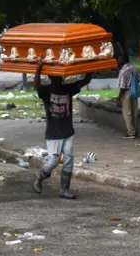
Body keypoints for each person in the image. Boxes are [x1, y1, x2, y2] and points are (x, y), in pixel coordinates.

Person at [32, 55, 92, 199]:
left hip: (68, 131)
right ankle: (39, 178)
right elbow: (36, 86)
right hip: (53, 132)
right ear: (51, 76)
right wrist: (39, 67)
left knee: (69, 159)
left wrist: (91, 67)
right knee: (53, 161)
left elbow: (85, 80)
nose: (59, 78)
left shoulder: (68, 88)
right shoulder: (46, 91)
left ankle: (64, 190)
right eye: (56, 75)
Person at [116, 54, 140, 139]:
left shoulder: (123, 71)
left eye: (119, 59)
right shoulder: (134, 67)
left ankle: (131, 132)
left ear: (122, 60)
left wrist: (119, 98)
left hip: (126, 93)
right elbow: (139, 80)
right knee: (134, 112)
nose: (117, 61)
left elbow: (122, 87)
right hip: (134, 92)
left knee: (127, 113)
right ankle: (135, 131)